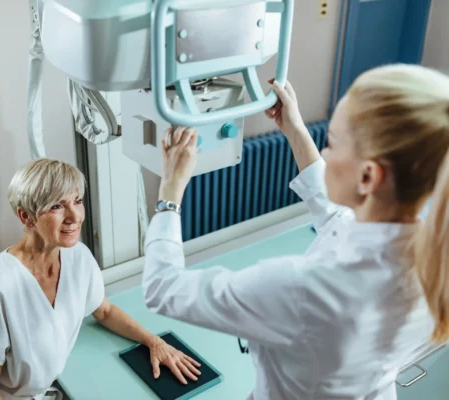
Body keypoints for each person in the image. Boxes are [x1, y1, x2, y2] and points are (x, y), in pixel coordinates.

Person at [142, 64, 449, 400]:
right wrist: (295, 129)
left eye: (331, 142)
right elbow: (337, 218)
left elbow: (162, 288)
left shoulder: (303, 289)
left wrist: (170, 193)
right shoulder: (433, 259)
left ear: (368, 177)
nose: (326, 152)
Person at [0, 158, 201, 400]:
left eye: (77, 201)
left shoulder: (79, 258)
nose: (74, 217)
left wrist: (154, 342)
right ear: (26, 217)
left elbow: (104, 311)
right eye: (56, 206)